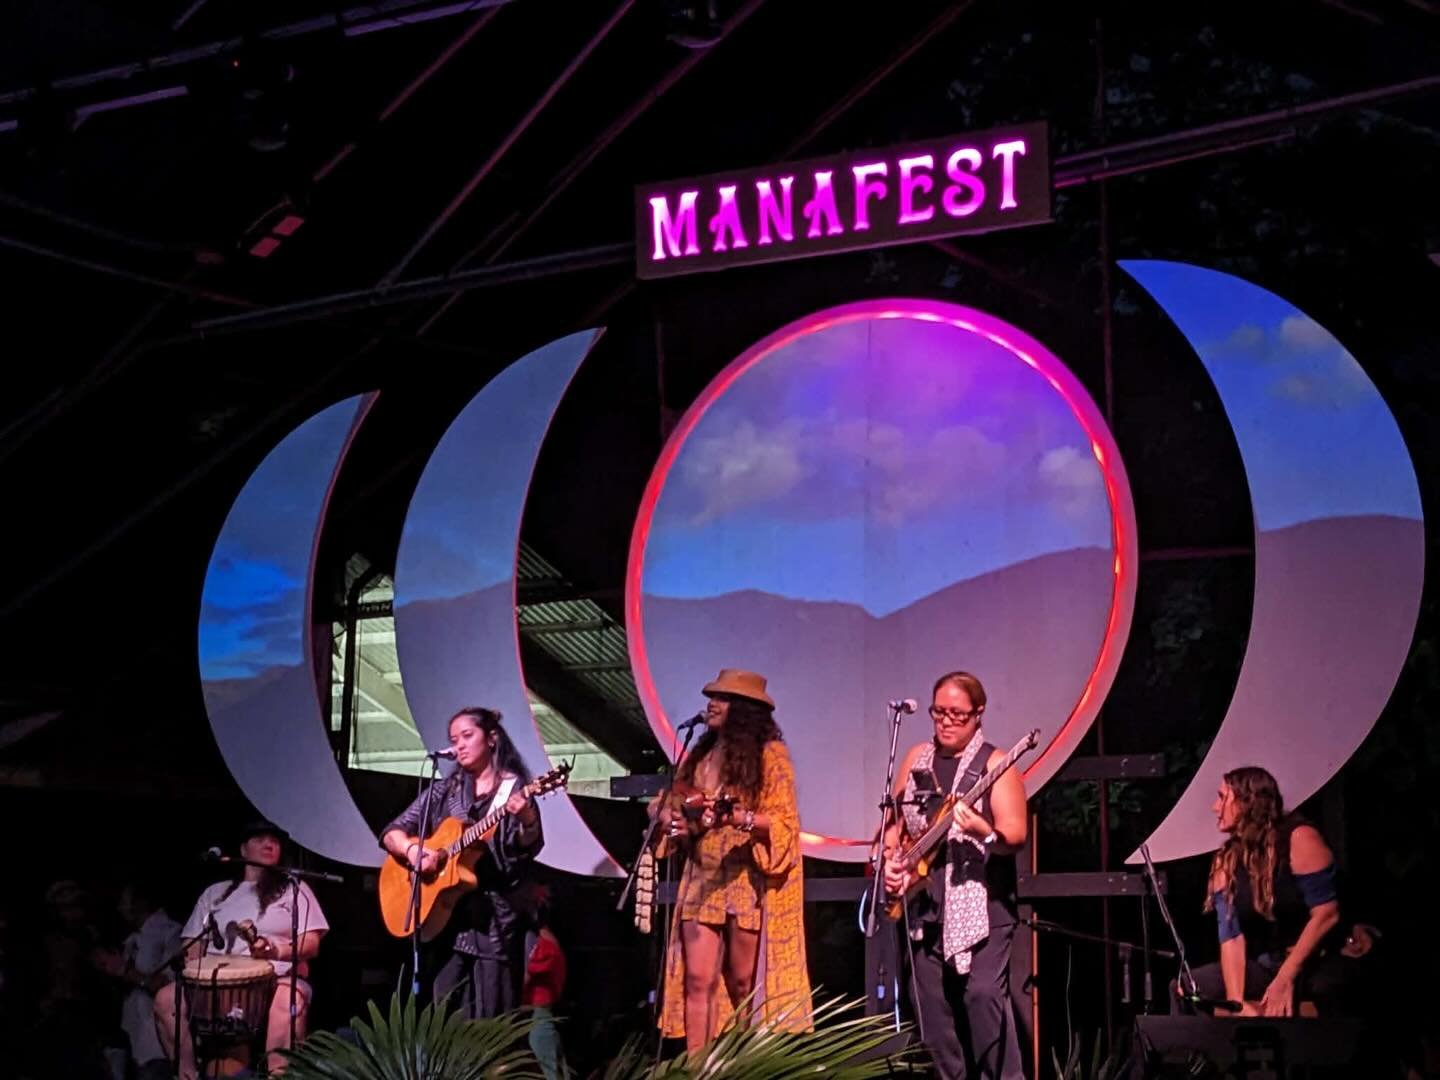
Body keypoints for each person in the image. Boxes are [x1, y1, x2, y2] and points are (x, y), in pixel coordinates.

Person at [651, 668, 812, 1051]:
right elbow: (673, 800)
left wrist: (740, 818)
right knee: (697, 981)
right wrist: (662, 813)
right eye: (712, 696)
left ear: (744, 710)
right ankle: (697, 1070)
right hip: (702, 877)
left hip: (744, 878)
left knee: (743, 983)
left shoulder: (771, 757)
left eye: (722, 698)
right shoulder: (701, 754)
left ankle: (744, 1063)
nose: (712, 703)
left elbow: (784, 823)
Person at [882, 671, 1026, 1080]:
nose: (945, 721)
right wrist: (892, 861)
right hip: (926, 902)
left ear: (978, 714)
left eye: (957, 714)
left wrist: (985, 831)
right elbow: (895, 826)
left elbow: (1015, 834)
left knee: (982, 998)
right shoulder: (916, 758)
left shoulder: (995, 765)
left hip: (982, 903)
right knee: (931, 1011)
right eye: (938, 712)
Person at [380, 706, 543, 1019]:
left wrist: (528, 819)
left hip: (493, 921)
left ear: (492, 739)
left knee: (492, 1017)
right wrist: (414, 851)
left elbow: (526, 846)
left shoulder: (513, 791)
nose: (459, 746)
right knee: (444, 1014)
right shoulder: (446, 790)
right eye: (454, 740)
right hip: (445, 919)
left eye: (467, 736)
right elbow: (391, 832)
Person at [154, 821, 329, 1080]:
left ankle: (278, 1074)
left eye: (275, 841)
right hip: (215, 983)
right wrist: (197, 968)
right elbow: (192, 944)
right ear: (243, 850)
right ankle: (186, 1074)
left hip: (276, 979)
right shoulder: (216, 893)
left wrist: (275, 950)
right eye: (259, 839)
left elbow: (311, 943)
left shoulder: (295, 889)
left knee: (287, 1002)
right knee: (166, 999)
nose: (269, 844)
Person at [1187, 766, 1342, 1017]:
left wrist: (1286, 978)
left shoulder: (1298, 838)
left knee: (1331, 988)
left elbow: (1327, 913)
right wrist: (1236, 1003)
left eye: (1222, 797)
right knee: (1190, 988)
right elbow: (1231, 936)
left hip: (1310, 959)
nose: (1215, 808)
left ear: (1248, 802)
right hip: (1266, 963)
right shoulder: (1226, 861)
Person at [92, 881, 182, 1080]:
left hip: (155, 1045)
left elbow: (169, 987)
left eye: (123, 901)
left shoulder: (171, 932)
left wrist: (124, 970)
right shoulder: (131, 939)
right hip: (129, 1042)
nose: (119, 908)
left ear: (140, 903)